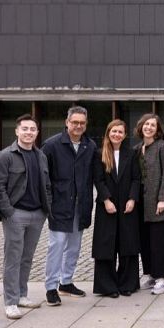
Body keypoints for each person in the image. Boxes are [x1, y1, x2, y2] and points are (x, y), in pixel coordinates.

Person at [0, 114, 52, 319]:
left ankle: (22, 294)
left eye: (32, 129)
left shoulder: (40, 155)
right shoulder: (5, 156)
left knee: (27, 258)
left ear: (37, 132)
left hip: (37, 214)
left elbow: (46, 185)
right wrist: (8, 211)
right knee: (13, 258)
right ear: (17, 131)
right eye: (24, 129)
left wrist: (46, 208)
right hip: (16, 214)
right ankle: (10, 301)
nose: (28, 132)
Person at [42, 105, 98, 305]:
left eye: (82, 123)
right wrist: (48, 203)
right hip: (59, 205)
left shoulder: (89, 146)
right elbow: (44, 177)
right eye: (75, 122)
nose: (78, 126)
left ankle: (66, 282)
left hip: (81, 205)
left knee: (74, 247)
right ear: (67, 122)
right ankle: (51, 287)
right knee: (56, 246)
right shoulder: (51, 145)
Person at [93, 119, 141, 297]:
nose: (117, 134)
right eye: (114, 131)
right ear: (108, 133)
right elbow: (98, 180)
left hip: (127, 206)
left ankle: (127, 284)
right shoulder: (99, 154)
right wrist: (106, 200)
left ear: (125, 135)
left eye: (120, 132)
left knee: (128, 245)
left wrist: (132, 199)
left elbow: (136, 178)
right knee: (106, 246)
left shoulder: (132, 153)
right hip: (107, 206)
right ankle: (108, 287)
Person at [136, 113, 164, 295]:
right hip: (141, 203)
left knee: (159, 241)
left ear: (158, 129)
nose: (149, 127)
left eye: (153, 125)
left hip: (158, 201)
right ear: (141, 127)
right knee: (145, 240)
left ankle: (162, 278)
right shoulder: (138, 148)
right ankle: (150, 273)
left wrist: (162, 199)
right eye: (146, 124)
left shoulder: (163, 147)